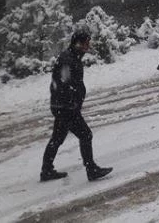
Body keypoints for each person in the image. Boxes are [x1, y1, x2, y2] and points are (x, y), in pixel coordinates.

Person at [41, 31, 113, 182]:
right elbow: (63, 83)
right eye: (86, 43)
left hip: (63, 106)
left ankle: (46, 170)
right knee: (85, 135)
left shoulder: (72, 56)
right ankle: (91, 169)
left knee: (58, 138)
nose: (88, 46)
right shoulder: (68, 60)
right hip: (66, 107)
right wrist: (72, 102)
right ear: (78, 44)